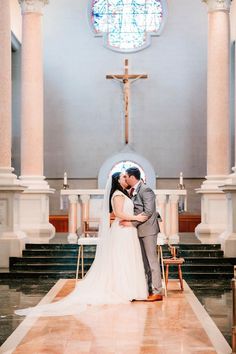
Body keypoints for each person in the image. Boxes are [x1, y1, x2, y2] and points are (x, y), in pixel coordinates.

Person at [15, 172, 148, 317]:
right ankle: (122, 290)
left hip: (127, 230)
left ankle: (130, 289)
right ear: (117, 180)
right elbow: (118, 213)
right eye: (123, 177)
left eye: (126, 176)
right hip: (122, 230)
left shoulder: (125, 194)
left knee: (126, 259)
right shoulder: (117, 194)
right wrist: (137, 218)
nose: (126, 178)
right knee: (120, 259)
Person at [120, 167, 163, 301]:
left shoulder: (145, 190)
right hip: (140, 230)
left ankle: (157, 291)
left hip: (148, 230)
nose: (125, 179)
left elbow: (149, 211)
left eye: (126, 176)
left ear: (132, 177)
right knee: (144, 262)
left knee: (152, 261)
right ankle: (148, 289)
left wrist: (132, 223)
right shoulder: (133, 191)